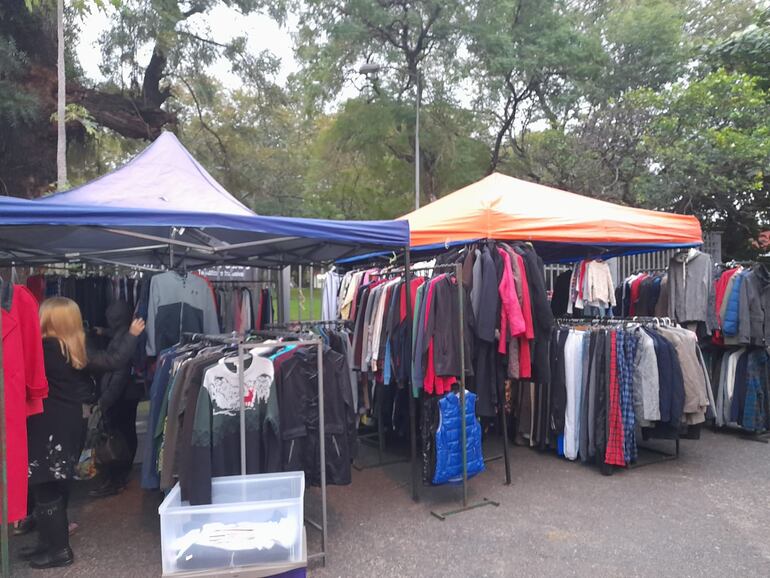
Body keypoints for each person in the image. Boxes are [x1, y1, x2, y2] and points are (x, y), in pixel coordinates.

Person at [22, 297, 145, 569]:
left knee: (45, 484)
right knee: (53, 482)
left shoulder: (45, 348)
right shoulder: (71, 348)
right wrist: (131, 336)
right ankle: (51, 543)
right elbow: (112, 361)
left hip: (48, 424)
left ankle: (57, 549)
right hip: (67, 424)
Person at [89, 300, 143, 498]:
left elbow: (119, 376)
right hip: (129, 394)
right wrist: (103, 332)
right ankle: (120, 475)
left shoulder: (125, 340)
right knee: (126, 432)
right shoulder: (127, 333)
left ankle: (116, 478)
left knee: (117, 436)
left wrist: (104, 401)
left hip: (120, 395)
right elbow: (119, 334)